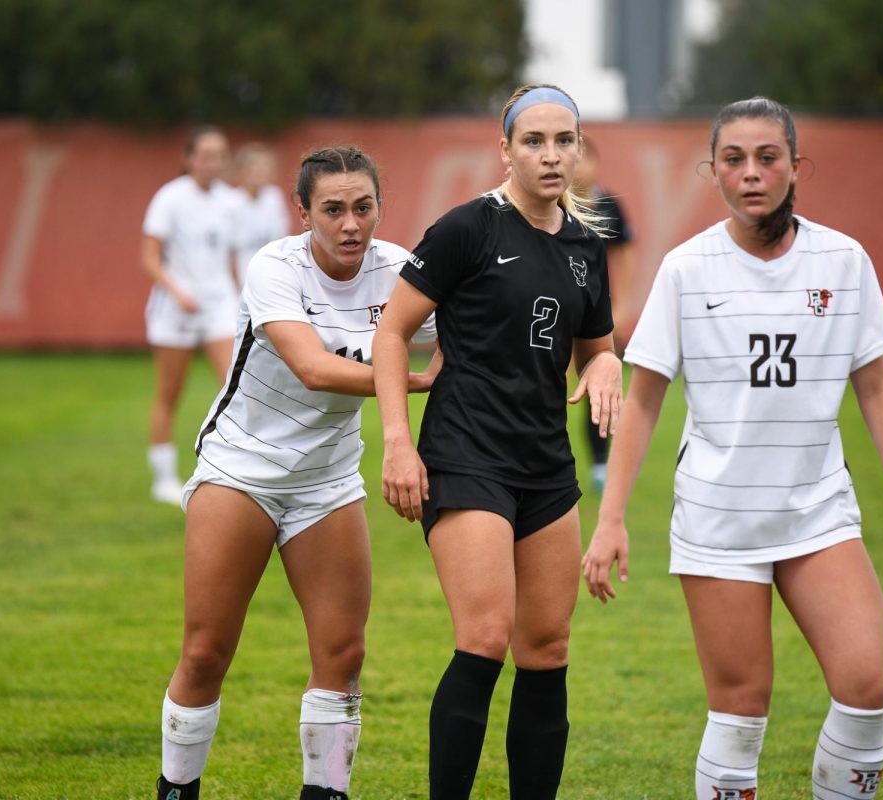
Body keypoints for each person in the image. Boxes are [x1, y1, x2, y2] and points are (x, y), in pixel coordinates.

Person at [581, 97, 883, 800]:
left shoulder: (844, 260)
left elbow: (876, 388)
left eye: (767, 157)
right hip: (719, 521)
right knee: (740, 713)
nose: (752, 173)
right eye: (734, 159)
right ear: (711, 170)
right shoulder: (686, 269)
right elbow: (645, 398)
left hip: (817, 512)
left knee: (866, 687)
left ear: (796, 166)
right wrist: (611, 518)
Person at [155, 146, 439, 800]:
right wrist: (413, 380)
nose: (350, 225)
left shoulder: (400, 270)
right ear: (303, 211)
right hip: (240, 470)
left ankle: (326, 794)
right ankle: (175, 791)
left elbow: (469, 325)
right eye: (333, 209)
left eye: (364, 208)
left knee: (344, 657)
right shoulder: (274, 266)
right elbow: (312, 366)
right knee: (205, 654)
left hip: (329, 481)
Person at [373, 84, 624, 800]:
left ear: (579, 149)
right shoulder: (468, 228)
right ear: (505, 149)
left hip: (545, 465)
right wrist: (398, 441)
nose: (551, 155)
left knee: (546, 649)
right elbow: (391, 332)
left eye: (564, 141)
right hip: (464, 453)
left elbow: (596, 349)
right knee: (485, 635)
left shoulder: (584, 247)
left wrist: (606, 362)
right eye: (535, 141)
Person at [141, 126, 240, 504]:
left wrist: (240, 295)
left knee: (236, 386)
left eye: (220, 154)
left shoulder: (229, 201)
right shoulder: (170, 198)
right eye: (207, 154)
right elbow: (148, 258)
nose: (214, 162)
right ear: (189, 158)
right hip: (175, 309)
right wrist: (178, 291)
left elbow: (231, 257)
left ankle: (228, 468)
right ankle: (163, 478)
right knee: (169, 392)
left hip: (218, 305)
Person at [572, 135, 636, 491]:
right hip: (552, 314)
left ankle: (599, 465)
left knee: (598, 386)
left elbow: (625, 253)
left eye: (584, 158)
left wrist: (621, 304)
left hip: (593, 316)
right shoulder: (549, 204)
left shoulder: (608, 205)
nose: (578, 165)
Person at [229, 142, 291, 288]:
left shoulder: (274, 197)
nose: (259, 172)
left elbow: (282, 238)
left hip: (271, 274)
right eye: (254, 167)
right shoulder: (232, 201)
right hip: (242, 278)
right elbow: (228, 251)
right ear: (242, 170)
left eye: (264, 168)